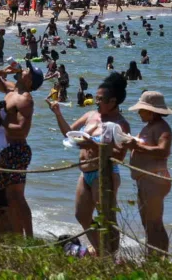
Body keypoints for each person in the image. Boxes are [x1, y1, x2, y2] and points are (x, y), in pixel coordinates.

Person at [48, 73, 130, 254]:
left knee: (107, 218)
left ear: (113, 101)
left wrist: (94, 144)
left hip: (104, 173)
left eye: (100, 99)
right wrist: (58, 113)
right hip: (84, 172)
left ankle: (109, 255)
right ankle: (102, 250)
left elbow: (120, 155)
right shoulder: (91, 115)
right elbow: (69, 133)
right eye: (97, 98)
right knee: (82, 215)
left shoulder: (120, 124)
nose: (96, 102)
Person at [0, 59, 45, 238]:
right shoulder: (11, 89)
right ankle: (18, 237)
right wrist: (5, 70)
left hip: (18, 149)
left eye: (28, 70)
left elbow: (22, 131)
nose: (24, 69)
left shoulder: (25, 99)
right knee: (10, 198)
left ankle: (30, 237)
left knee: (17, 196)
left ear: (30, 81)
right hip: (6, 149)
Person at [125, 91, 172, 254]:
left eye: (141, 109)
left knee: (154, 223)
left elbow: (163, 151)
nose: (139, 112)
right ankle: (155, 256)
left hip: (155, 179)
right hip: (144, 179)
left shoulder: (162, 128)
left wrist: (138, 147)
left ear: (151, 111)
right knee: (148, 222)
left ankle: (157, 258)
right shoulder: (149, 127)